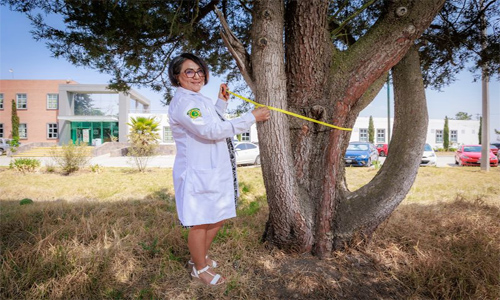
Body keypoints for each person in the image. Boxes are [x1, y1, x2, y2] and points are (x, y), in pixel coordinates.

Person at [167, 53, 270, 286]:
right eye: (189, 71)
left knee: (218, 216)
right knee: (200, 221)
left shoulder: (198, 99)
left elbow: (214, 121)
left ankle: (200, 258)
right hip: (198, 173)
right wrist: (250, 117)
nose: (197, 76)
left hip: (214, 170)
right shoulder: (184, 103)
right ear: (177, 77)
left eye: (200, 71)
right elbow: (210, 131)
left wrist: (221, 102)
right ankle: (199, 268)